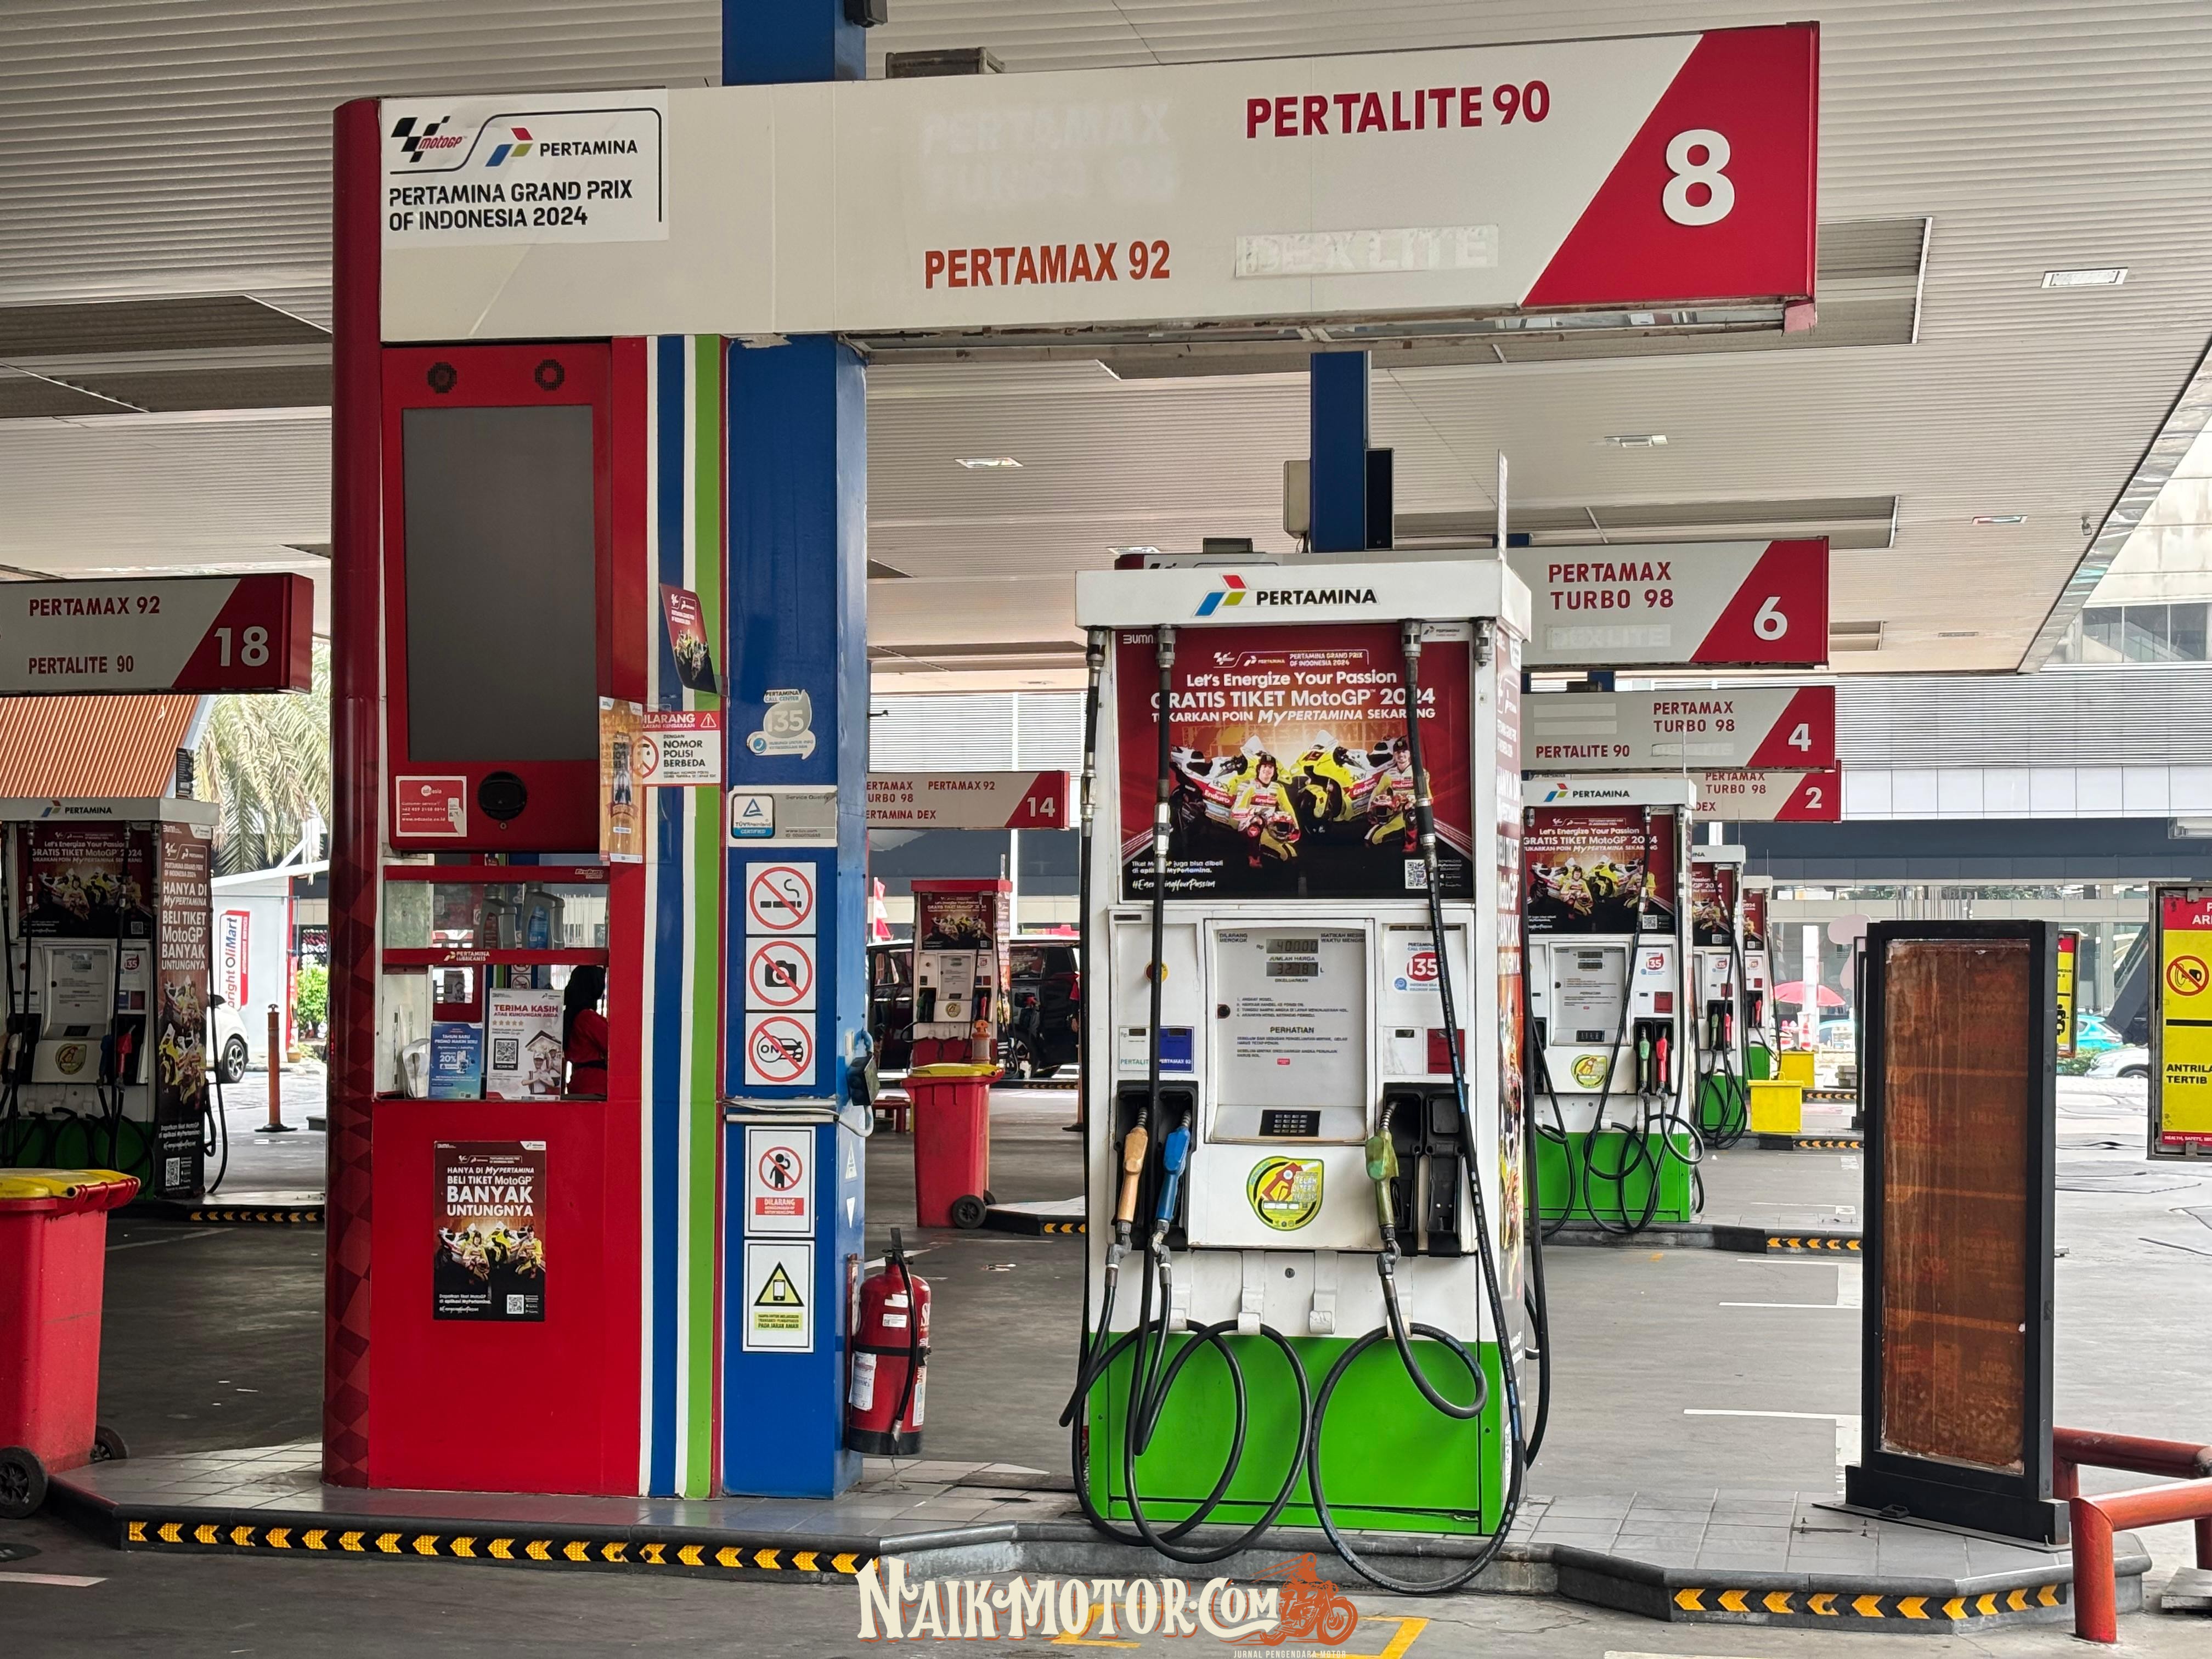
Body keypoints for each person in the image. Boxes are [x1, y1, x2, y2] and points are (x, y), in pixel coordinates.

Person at [563, 964, 608, 1098]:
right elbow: (614, 1046)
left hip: (578, 1081)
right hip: (597, 1084)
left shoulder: (569, 1016)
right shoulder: (588, 1018)